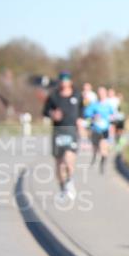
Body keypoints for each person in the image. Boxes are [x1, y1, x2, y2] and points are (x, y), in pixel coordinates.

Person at [41, 71, 84, 200]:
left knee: (69, 159)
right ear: (59, 81)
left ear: (70, 81)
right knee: (59, 163)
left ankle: (70, 181)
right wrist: (52, 114)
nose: (64, 82)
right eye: (62, 79)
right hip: (58, 131)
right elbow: (45, 111)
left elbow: (82, 111)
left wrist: (81, 121)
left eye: (66, 79)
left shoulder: (77, 95)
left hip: (71, 130)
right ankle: (62, 188)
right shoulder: (53, 96)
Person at [84, 92, 116, 174]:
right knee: (95, 148)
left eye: (103, 94)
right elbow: (87, 114)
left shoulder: (109, 106)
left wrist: (112, 121)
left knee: (104, 148)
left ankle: (102, 165)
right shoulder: (94, 105)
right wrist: (93, 117)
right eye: (100, 94)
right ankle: (94, 159)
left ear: (105, 95)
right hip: (95, 129)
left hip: (105, 130)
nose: (102, 95)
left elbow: (113, 116)